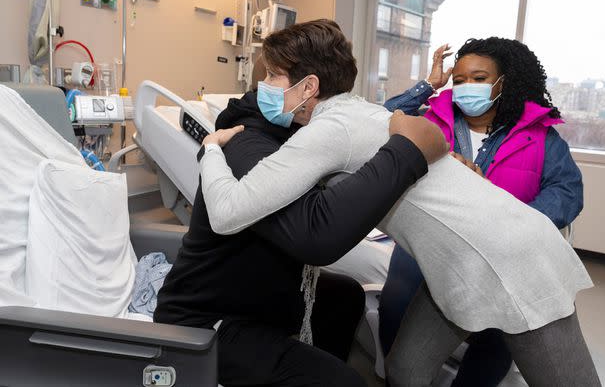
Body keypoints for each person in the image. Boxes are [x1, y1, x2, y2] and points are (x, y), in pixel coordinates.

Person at [200, 19, 600, 386]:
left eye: (272, 74)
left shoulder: (330, 130)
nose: (263, 85)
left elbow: (227, 211)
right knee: (407, 369)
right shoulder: (359, 112)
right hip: (455, 264)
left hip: (513, 257)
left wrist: (212, 148)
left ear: (308, 87)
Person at [154, 67, 448, 385]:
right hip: (208, 318)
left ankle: (309, 360)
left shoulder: (293, 138)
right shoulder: (248, 146)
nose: (264, 84)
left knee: (346, 295)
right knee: (345, 382)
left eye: (273, 76)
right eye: (266, 75)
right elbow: (313, 235)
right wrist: (406, 155)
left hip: (249, 294)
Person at [379, 38, 584, 386]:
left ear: (504, 83)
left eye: (478, 78)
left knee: (494, 341)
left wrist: (506, 216)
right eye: (459, 80)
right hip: (435, 250)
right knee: (399, 329)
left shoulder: (541, 138)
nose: (466, 87)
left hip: (502, 260)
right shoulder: (434, 121)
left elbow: (567, 194)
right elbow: (384, 116)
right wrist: (430, 85)